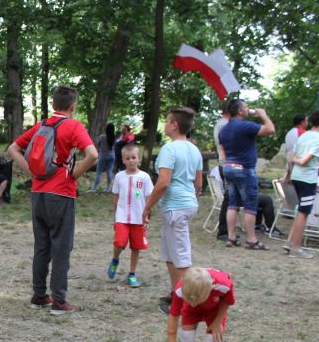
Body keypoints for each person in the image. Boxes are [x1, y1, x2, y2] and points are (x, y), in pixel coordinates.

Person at [7, 85, 98, 315]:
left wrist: (31, 172)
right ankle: (59, 300)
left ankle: (39, 295)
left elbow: (13, 149)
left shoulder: (41, 126)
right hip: (61, 194)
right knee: (61, 247)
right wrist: (74, 174)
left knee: (42, 245)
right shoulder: (74, 126)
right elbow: (93, 154)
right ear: (72, 106)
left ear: (54, 104)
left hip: (38, 193)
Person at [142, 107, 203, 315]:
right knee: (170, 253)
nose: (165, 125)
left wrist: (147, 206)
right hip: (185, 205)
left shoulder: (169, 149)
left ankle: (187, 303)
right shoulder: (194, 150)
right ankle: (176, 293)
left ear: (175, 125)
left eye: (167, 121)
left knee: (181, 258)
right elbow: (198, 183)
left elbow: (163, 183)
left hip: (176, 207)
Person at [218, 98, 276, 249]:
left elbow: (223, 151)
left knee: (232, 204)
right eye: (246, 107)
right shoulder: (244, 125)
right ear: (240, 111)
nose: (248, 109)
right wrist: (263, 115)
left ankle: (231, 237)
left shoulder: (224, 129)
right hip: (244, 169)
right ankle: (251, 240)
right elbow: (270, 129)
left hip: (229, 168)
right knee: (250, 205)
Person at [285, 108, 319, 259]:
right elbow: (304, 160)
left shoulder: (304, 135)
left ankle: (290, 242)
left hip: (297, 176)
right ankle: (296, 248)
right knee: (303, 213)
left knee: (300, 210)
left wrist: (292, 169)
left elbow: (291, 156)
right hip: (308, 179)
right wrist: (298, 161)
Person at [107, 144, 153, 287]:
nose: (131, 160)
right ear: (123, 160)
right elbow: (115, 195)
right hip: (122, 217)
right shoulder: (119, 177)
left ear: (139, 159)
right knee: (119, 242)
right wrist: (116, 214)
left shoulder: (144, 177)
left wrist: (147, 216)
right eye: (127, 158)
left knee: (136, 247)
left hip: (138, 218)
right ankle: (115, 259)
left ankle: (132, 274)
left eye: (134, 157)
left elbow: (149, 197)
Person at [210, 166, 284, 239]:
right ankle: (270, 227)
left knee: (258, 196)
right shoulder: (237, 169)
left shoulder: (217, 169)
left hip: (228, 196)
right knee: (266, 199)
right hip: (236, 197)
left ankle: (257, 224)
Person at [89, 122, 115, 193]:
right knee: (109, 171)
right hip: (112, 156)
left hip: (103, 156)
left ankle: (94, 188)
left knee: (99, 172)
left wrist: (98, 151)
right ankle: (108, 187)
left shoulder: (102, 137)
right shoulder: (114, 137)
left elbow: (98, 145)